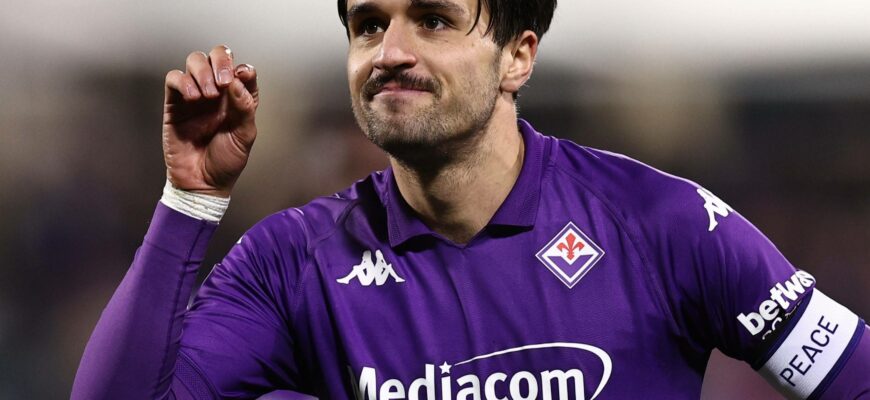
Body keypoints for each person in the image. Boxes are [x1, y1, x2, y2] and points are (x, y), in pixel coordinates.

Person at [72, 0, 869, 399]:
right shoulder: (292, 263)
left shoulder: (662, 224)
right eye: (367, 24)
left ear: (518, 56)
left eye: (432, 19)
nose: (390, 52)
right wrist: (191, 199)